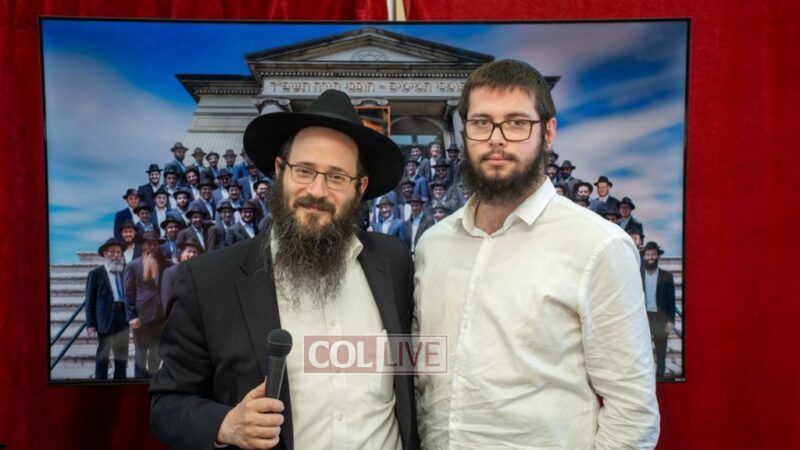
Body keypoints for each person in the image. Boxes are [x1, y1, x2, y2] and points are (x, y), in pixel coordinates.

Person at [150, 89, 418, 450]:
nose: (317, 191)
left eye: (337, 177)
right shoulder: (208, 281)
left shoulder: (393, 262)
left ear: (360, 188)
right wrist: (225, 425)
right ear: (279, 170)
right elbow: (167, 405)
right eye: (304, 170)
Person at [414, 59, 659, 449]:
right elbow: (423, 376)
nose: (496, 138)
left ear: (548, 132)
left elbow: (633, 411)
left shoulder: (599, 245)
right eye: (481, 123)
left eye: (516, 123)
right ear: (464, 133)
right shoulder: (433, 244)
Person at [124, 230, 171, 379]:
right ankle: (138, 384)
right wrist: (132, 316)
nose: (152, 247)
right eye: (148, 244)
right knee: (141, 354)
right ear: (143, 246)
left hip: (161, 316)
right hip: (141, 317)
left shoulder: (167, 264)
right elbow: (128, 293)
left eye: (155, 244)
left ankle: (153, 382)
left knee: (156, 353)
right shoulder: (132, 266)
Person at [84, 238, 129, 380]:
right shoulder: (96, 274)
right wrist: (91, 324)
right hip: (105, 318)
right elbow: (90, 301)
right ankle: (100, 384)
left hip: (123, 316)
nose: (115, 255)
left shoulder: (125, 272)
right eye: (112, 251)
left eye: (118, 252)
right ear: (105, 253)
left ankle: (120, 383)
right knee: (103, 354)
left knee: (122, 355)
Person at [641, 241, 677, 380]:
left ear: (658, 256)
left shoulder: (667, 276)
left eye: (653, 254)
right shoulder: (637, 276)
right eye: (648, 254)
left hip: (661, 318)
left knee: (661, 351)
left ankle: (660, 377)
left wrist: (671, 320)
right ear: (644, 256)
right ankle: (644, 377)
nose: (650, 257)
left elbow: (671, 301)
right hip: (643, 318)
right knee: (641, 350)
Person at [160, 233, 202, 316]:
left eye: (194, 252)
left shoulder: (200, 272)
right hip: (179, 317)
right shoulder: (170, 273)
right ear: (181, 253)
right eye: (189, 251)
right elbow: (167, 302)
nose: (192, 255)